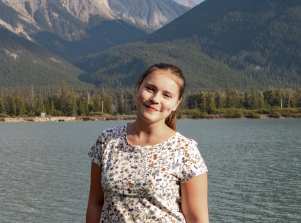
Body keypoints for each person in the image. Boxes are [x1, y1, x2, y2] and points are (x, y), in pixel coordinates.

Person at [86, 63, 209, 223]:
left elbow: (197, 218)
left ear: (176, 104)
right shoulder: (108, 140)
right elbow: (95, 204)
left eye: (167, 95)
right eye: (150, 89)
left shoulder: (185, 150)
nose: (155, 99)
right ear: (138, 88)